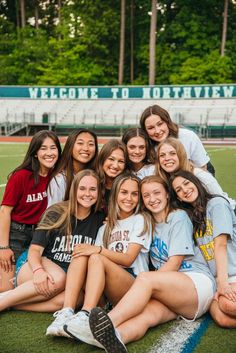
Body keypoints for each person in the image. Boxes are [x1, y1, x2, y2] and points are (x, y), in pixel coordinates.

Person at [66, 175, 216, 352]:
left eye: (157, 193)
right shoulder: (148, 221)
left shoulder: (178, 217)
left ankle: (101, 323)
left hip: (195, 282)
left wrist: (142, 288)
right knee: (146, 316)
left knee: (145, 279)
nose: (152, 199)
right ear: (143, 201)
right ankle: (117, 337)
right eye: (146, 195)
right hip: (172, 294)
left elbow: (174, 264)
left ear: (167, 194)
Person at [46, 172, 151, 342]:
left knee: (94, 255)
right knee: (82, 253)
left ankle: (86, 313)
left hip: (133, 285)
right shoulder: (106, 227)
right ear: (115, 194)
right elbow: (91, 258)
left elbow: (128, 259)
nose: (129, 198)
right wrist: (90, 251)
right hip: (107, 291)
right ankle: (66, 312)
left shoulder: (141, 219)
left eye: (134, 194)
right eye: (124, 192)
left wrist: (97, 250)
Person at [0, 170, 105, 312]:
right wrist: (38, 271)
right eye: (82, 188)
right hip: (35, 265)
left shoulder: (100, 219)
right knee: (59, 278)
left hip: (66, 278)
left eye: (93, 189)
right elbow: (35, 250)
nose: (87, 194)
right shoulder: (56, 212)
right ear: (74, 190)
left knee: (77, 298)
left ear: (99, 192)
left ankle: (13, 304)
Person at [170, 170, 236, 328]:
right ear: (178, 197)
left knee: (229, 307)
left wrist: (223, 282)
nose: (184, 190)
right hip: (215, 278)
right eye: (178, 190)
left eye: (186, 183)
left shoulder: (216, 204)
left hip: (231, 273)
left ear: (196, 183)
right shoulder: (190, 216)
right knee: (222, 319)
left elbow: (220, 244)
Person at [0, 130, 61, 292]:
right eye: (43, 148)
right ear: (35, 153)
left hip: (40, 236)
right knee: (7, 287)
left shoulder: (57, 177)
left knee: (43, 282)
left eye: (53, 148)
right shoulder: (21, 176)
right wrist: (4, 247)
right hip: (17, 234)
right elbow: (5, 211)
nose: (49, 153)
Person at [156, 137, 235, 210]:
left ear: (180, 155)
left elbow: (222, 202)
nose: (167, 158)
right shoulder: (162, 181)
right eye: (162, 155)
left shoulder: (199, 175)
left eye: (172, 153)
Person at [140, 104, 215, 174]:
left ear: (167, 122)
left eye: (160, 124)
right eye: (151, 128)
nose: (157, 131)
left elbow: (204, 168)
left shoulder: (188, 136)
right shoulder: (145, 146)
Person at [47, 128, 98, 207]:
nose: (86, 148)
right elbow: (52, 214)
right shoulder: (59, 180)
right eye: (80, 143)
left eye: (91, 144)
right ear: (70, 146)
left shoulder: (95, 175)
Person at [96, 139, 127, 209]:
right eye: (111, 159)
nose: (115, 165)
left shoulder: (128, 185)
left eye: (121, 161)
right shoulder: (92, 182)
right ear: (102, 159)